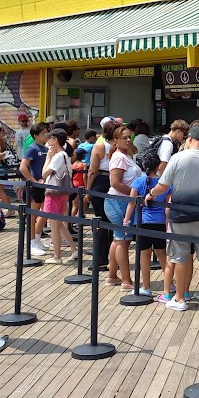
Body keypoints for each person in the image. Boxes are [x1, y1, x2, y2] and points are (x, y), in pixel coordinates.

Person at [151, 125, 199, 312]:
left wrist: (150, 194)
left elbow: (162, 185)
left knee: (181, 257)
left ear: (190, 139)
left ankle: (179, 299)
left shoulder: (177, 157)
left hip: (180, 215)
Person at [124, 148, 171, 297]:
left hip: (142, 222)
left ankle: (146, 286)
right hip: (160, 223)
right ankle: (170, 284)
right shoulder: (165, 183)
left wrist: (126, 220)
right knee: (163, 255)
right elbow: (168, 205)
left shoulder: (138, 182)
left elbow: (132, 203)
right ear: (158, 166)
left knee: (144, 255)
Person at [106, 125, 142, 289]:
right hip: (119, 201)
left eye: (129, 137)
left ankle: (112, 275)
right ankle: (127, 281)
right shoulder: (119, 157)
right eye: (124, 138)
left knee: (118, 239)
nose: (128, 140)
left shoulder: (125, 155)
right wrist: (135, 194)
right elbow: (115, 182)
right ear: (116, 140)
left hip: (122, 201)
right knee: (123, 241)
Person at [85, 118, 121, 270]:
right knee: (113, 222)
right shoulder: (122, 146)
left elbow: (92, 170)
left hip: (100, 182)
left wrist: (87, 190)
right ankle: (114, 259)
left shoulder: (99, 146)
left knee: (100, 221)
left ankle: (100, 259)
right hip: (116, 183)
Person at [42, 128, 76, 264]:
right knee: (59, 223)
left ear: (55, 139)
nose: (48, 140)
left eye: (50, 138)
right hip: (63, 192)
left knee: (54, 225)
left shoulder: (56, 156)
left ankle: (57, 256)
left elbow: (44, 174)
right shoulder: (65, 156)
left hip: (53, 193)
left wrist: (48, 158)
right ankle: (74, 249)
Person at [19, 122, 50, 256]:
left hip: (44, 186)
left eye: (47, 132)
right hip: (34, 187)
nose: (46, 135)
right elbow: (23, 167)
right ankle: (31, 243)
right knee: (32, 215)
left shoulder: (46, 148)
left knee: (44, 213)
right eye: (44, 133)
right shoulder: (32, 148)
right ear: (36, 135)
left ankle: (37, 239)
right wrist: (32, 180)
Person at [70, 147, 88, 216]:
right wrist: (87, 188)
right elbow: (84, 177)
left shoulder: (72, 165)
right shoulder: (83, 165)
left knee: (74, 205)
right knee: (79, 205)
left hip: (73, 184)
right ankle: (71, 222)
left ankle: (72, 221)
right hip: (81, 185)